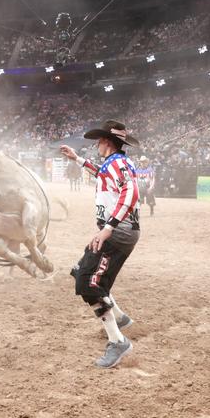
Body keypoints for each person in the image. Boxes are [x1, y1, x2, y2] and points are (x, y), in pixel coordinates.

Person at [60, 120, 141, 369]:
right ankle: (120, 317)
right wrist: (78, 159)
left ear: (107, 141)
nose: (97, 144)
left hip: (118, 232)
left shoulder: (118, 163)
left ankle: (118, 341)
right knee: (81, 271)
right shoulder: (115, 163)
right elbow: (103, 174)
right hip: (118, 231)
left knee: (88, 283)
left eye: (99, 140)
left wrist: (108, 228)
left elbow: (131, 192)